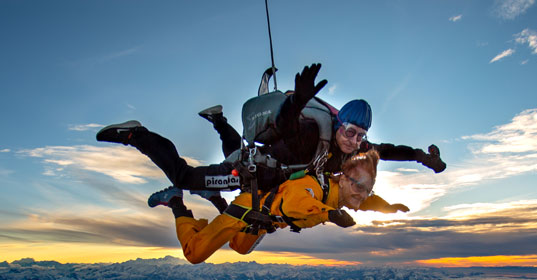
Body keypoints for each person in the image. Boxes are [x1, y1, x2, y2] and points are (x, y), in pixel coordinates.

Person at [96, 64, 446, 205]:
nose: (355, 142)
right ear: (340, 125)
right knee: (187, 177)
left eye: (361, 136)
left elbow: (390, 149)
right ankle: (138, 136)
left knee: (234, 152)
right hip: (253, 172)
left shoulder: (355, 149)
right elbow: (288, 126)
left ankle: (219, 121)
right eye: (351, 132)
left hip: (261, 172)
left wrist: (422, 158)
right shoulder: (313, 134)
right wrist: (298, 101)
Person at [149, 149, 404, 264]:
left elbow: (367, 201)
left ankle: (214, 198)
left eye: (366, 188)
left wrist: (388, 207)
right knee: (194, 254)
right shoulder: (317, 188)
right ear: (342, 177)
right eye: (358, 185)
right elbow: (295, 203)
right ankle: (176, 202)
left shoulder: (345, 195)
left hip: (263, 220)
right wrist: (330, 214)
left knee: (240, 247)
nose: (361, 194)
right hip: (250, 207)